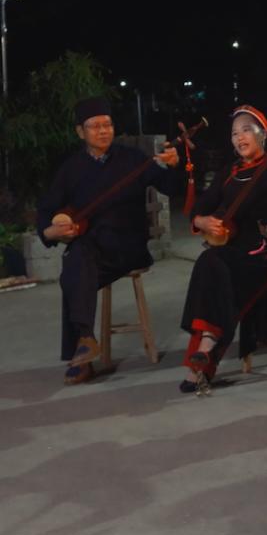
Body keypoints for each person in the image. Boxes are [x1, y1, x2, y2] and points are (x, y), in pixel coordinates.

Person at [36, 96, 183, 385]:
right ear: (80, 132)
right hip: (93, 250)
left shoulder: (132, 159)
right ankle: (86, 340)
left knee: (74, 271)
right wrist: (50, 232)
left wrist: (175, 165)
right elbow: (46, 210)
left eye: (108, 124)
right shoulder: (71, 168)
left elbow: (171, 187)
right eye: (95, 126)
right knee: (76, 263)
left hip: (129, 246)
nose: (103, 131)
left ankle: (82, 352)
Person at [178, 105, 267, 392]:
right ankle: (206, 347)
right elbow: (200, 206)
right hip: (235, 250)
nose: (240, 137)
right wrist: (201, 220)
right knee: (212, 265)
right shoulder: (230, 171)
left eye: (247, 129)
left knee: (217, 270)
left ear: (264, 135)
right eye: (235, 132)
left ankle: (201, 359)